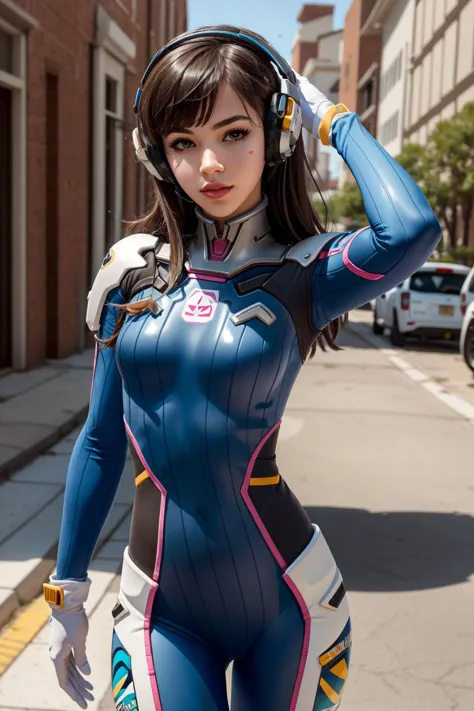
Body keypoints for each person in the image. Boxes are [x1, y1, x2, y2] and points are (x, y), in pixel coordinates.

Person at [43, 26, 440, 711]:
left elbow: (409, 229)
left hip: (292, 601)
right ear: (156, 152)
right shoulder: (130, 273)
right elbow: (103, 441)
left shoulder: (305, 271)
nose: (210, 164)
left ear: (277, 135)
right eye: (182, 143)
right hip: (157, 603)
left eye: (234, 133)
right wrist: (67, 589)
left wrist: (327, 115)